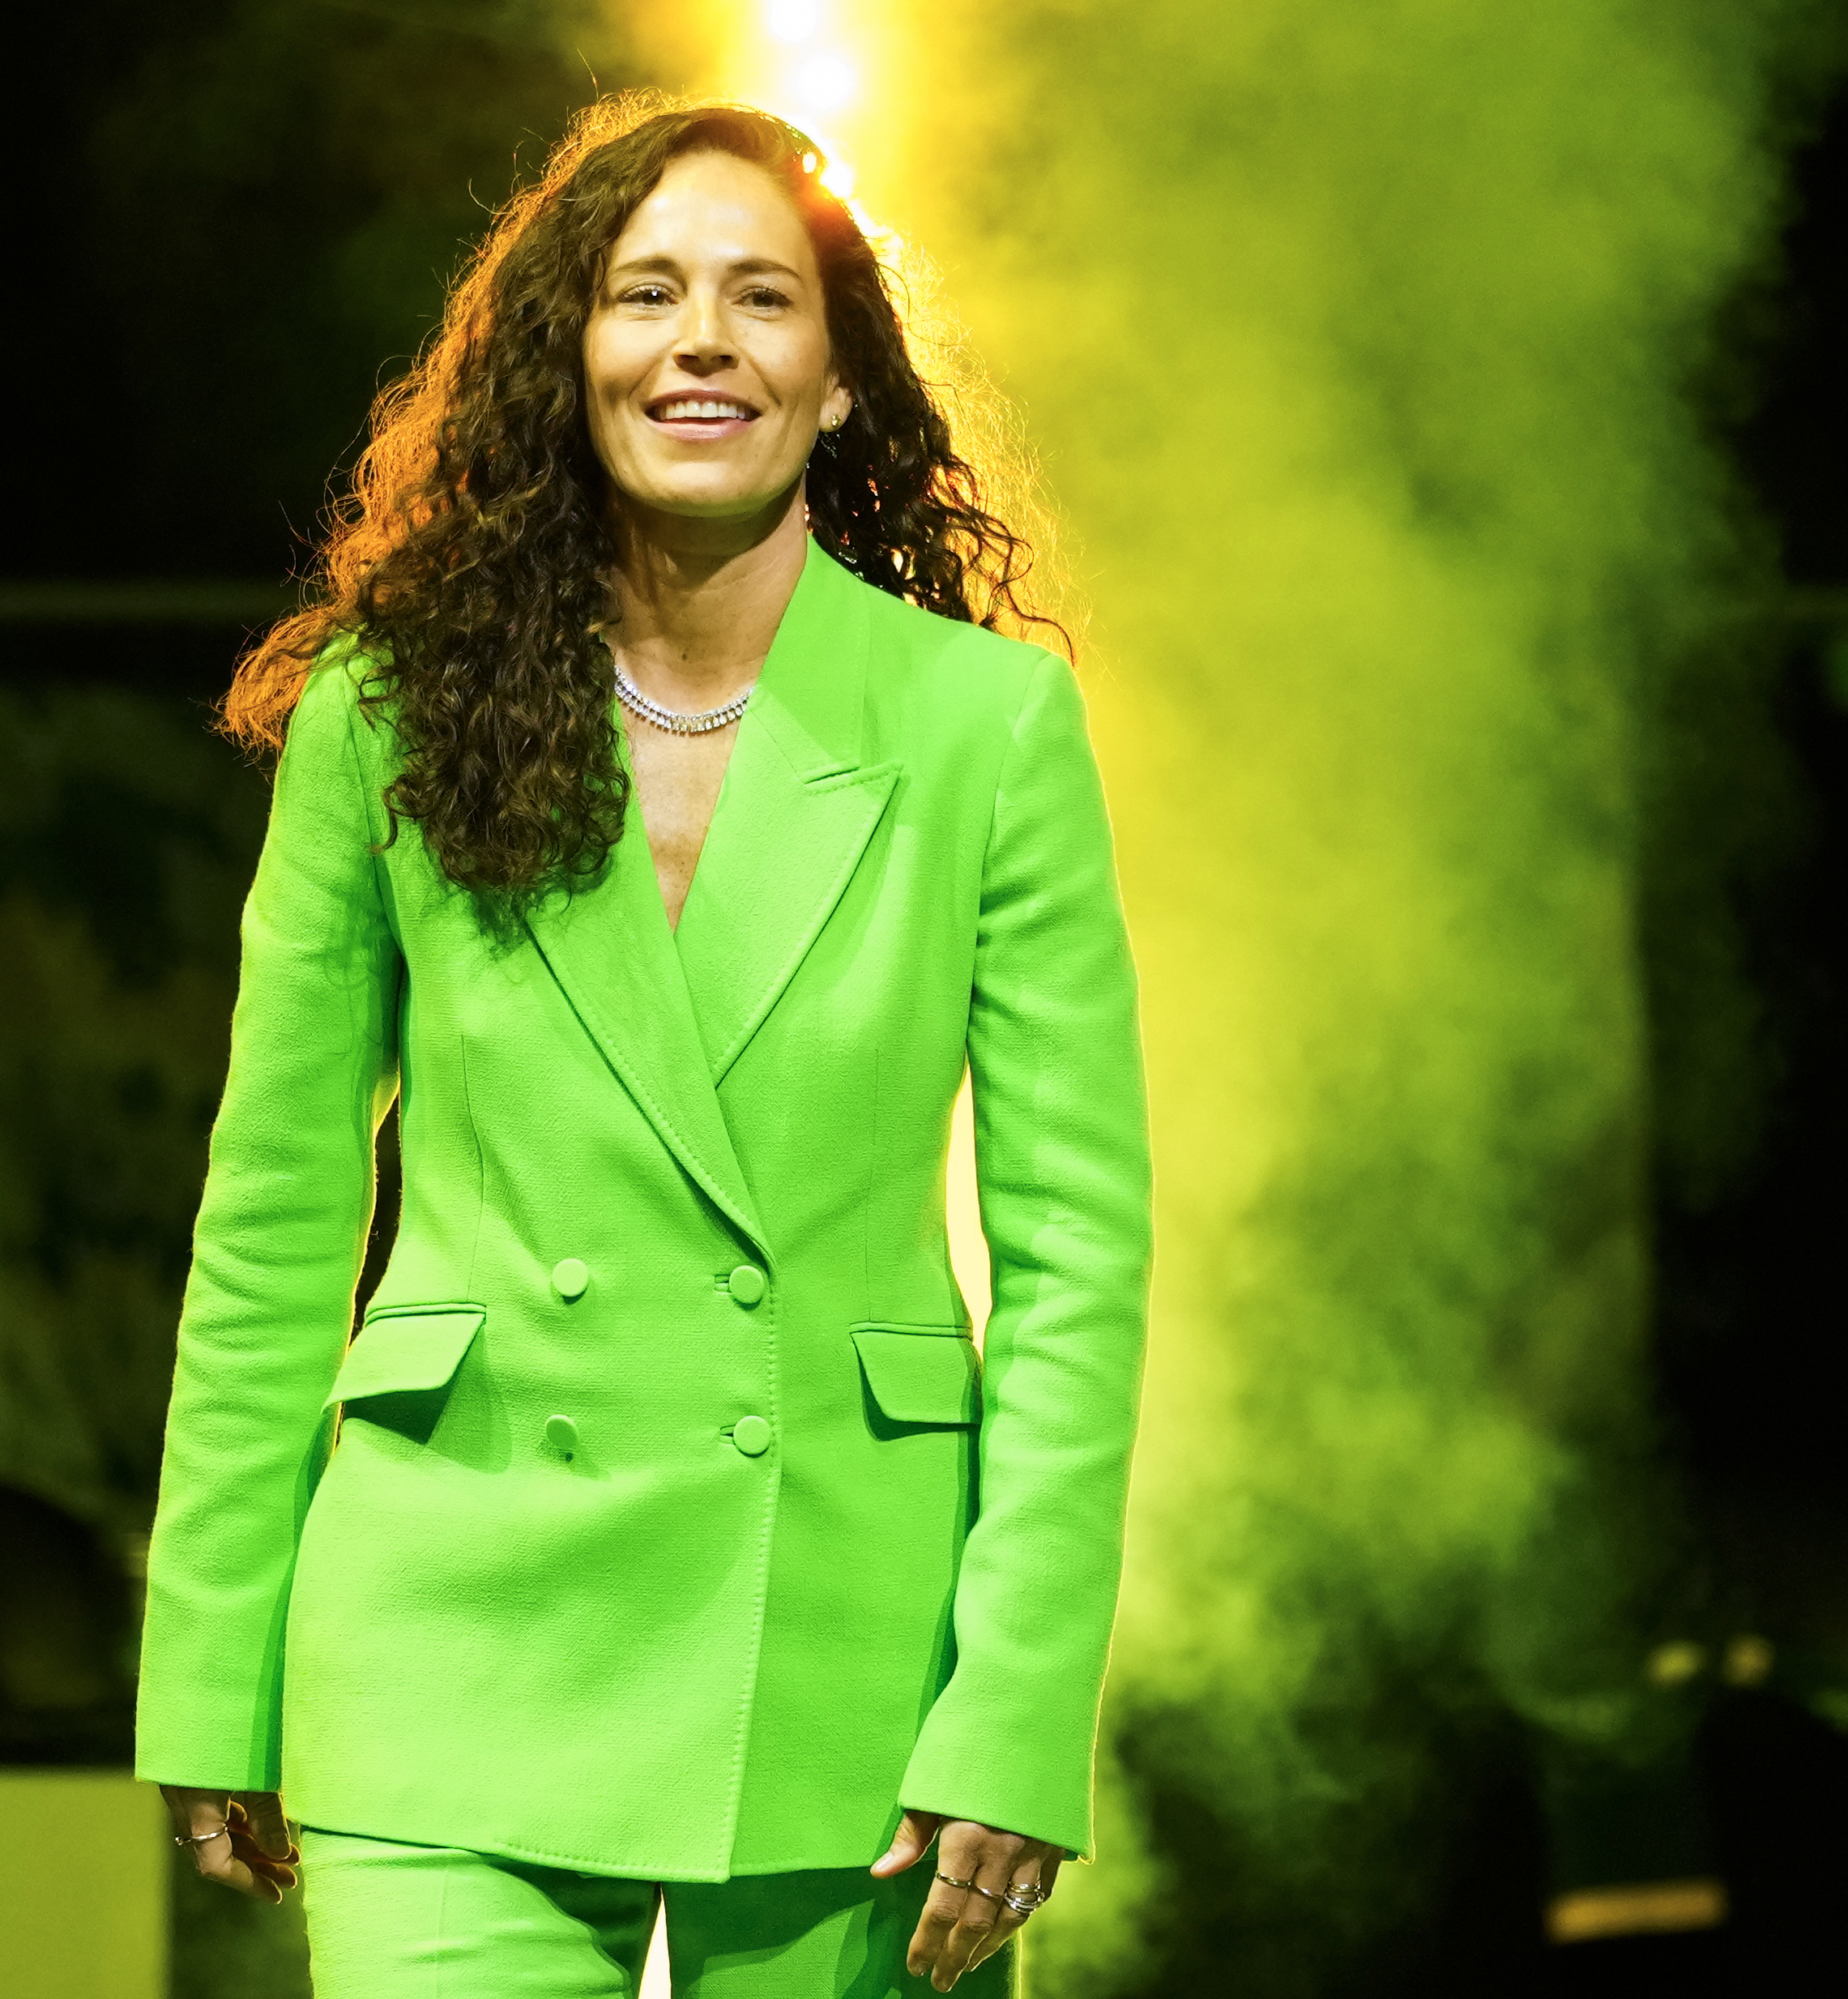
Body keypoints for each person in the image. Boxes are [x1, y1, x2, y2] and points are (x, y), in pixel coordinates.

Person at [133, 92, 1150, 1999]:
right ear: (565, 363)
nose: (702, 338)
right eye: (645, 293)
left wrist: (1013, 1706)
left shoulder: (981, 728)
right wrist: (214, 1653)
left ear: (839, 381)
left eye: (762, 298)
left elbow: (1077, 1260)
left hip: (852, 1651)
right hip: (451, 1628)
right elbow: (272, 1213)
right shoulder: (392, 706)